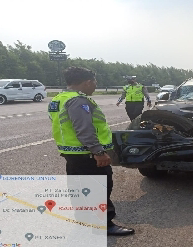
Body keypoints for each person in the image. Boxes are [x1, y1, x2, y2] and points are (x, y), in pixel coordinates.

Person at [48, 66, 135, 236]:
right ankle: (104, 225)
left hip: (71, 152)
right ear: (88, 82)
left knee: (79, 187)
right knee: (100, 187)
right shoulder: (78, 101)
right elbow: (84, 129)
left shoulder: (58, 99)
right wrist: (98, 152)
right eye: (94, 82)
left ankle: (84, 220)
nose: (95, 85)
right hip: (87, 153)